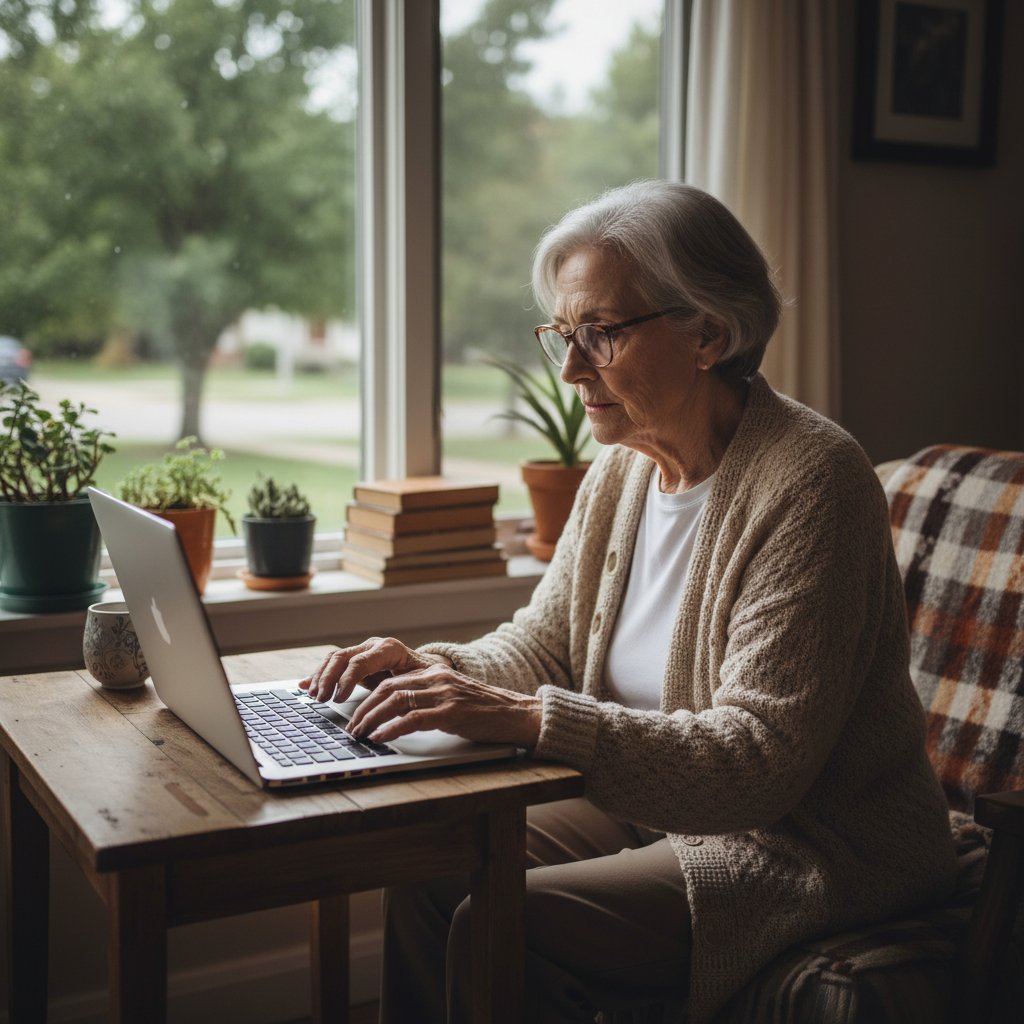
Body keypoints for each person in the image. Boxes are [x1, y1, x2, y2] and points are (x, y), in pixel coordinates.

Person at [301, 180, 957, 1024]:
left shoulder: (814, 482)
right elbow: (546, 643)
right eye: (564, 336)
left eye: (601, 335)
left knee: (507, 923)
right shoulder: (623, 466)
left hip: (807, 843)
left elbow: (758, 762)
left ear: (709, 334)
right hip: (645, 812)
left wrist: (532, 719)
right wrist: (434, 671)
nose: (573, 369)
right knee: (428, 868)